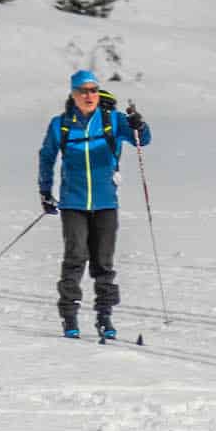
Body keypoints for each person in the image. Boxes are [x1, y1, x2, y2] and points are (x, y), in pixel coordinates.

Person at [37, 69, 152, 342]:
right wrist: (45, 190)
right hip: (73, 202)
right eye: (82, 91)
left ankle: (104, 316)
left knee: (104, 262)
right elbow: (47, 157)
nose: (89, 95)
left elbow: (142, 139)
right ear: (73, 94)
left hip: (105, 202)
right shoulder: (60, 125)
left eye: (93, 90)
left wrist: (138, 123)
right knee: (75, 258)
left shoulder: (113, 120)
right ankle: (69, 315)